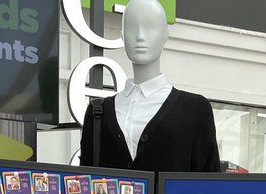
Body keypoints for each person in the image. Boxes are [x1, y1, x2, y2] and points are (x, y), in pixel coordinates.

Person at [79, 0, 219, 173]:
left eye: (150, 27)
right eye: (132, 27)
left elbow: (209, 187)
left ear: (165, 34)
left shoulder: (195, 109)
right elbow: (85, 185)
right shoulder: (97, 113)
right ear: (122, 35)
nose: (140, 36)